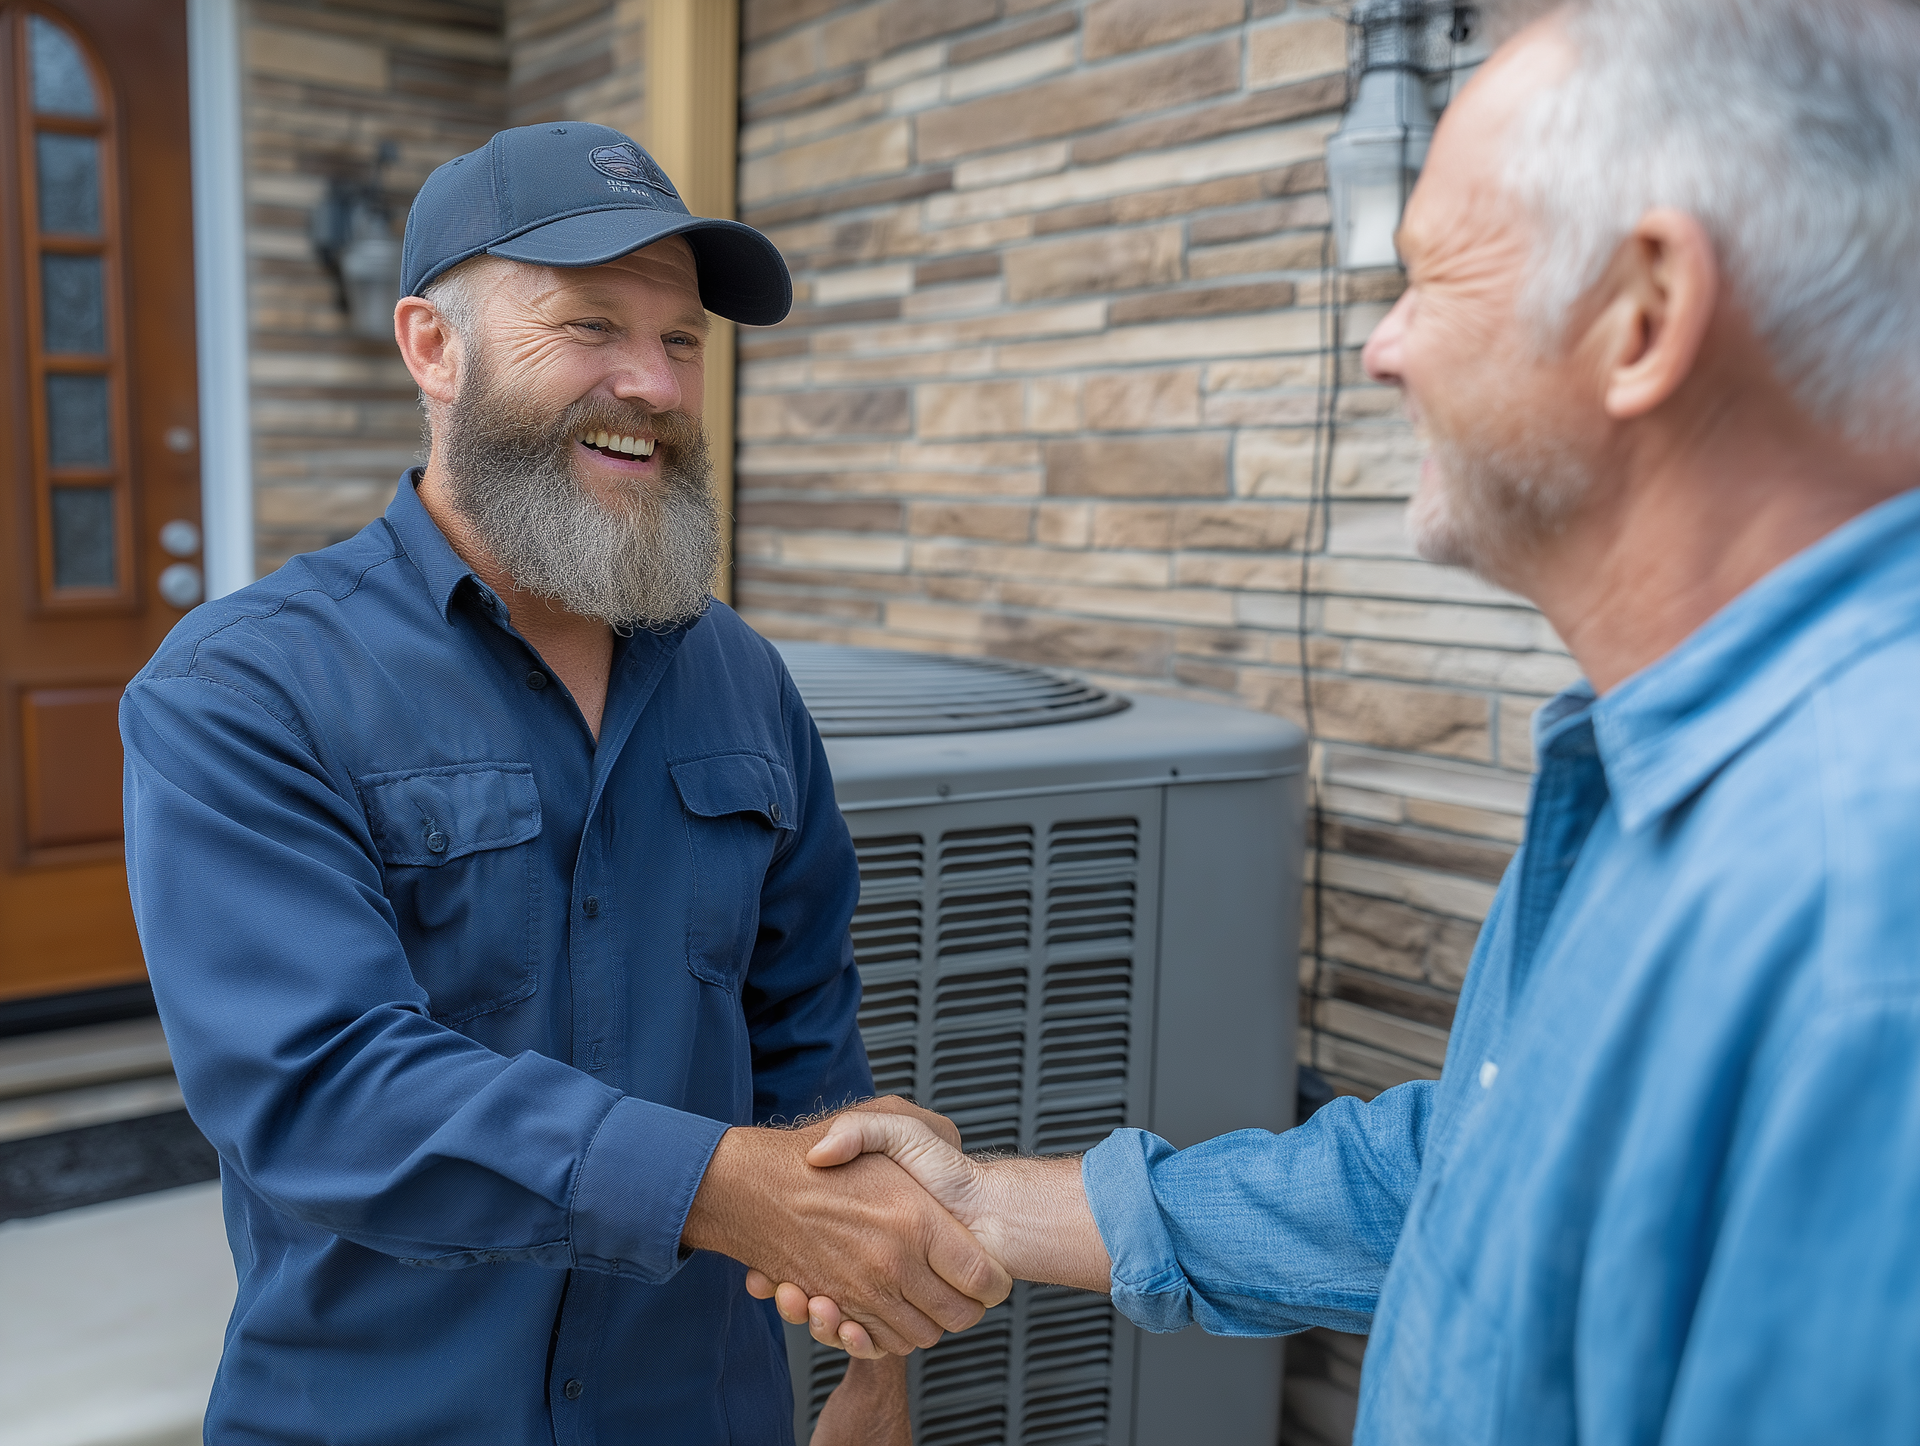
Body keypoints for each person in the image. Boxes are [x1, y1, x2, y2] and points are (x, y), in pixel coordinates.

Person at [755, 2, 1920, 1441]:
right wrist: (985, 1203)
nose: (1384, 348)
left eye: (1429, 277)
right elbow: (1475, 1177)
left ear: (1643, 314)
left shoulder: (1858, 906)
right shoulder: (1666, 786)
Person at [120, 123, 1007, 1446]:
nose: (649, 381)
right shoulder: (245, 689)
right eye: (590, 324)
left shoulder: (744, 683)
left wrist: (874, 1360)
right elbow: (323, 1086)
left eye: (682, 339)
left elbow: (809, 1051)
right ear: (432, 346)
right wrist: (717, 1184)